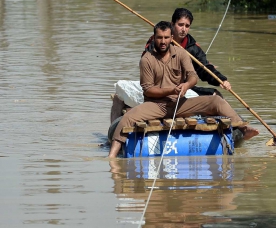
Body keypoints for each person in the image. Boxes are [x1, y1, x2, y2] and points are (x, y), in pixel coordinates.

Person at [108, 21, 259, 158]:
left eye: (166, 37)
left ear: (171, 37)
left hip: (181, 103)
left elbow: (193, 76)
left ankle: (243, 129)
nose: (163, 41)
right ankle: (112, 156)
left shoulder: (181, 53)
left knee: (216, 101)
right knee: (128, 118)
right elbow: (148, 90)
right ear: (154, 38)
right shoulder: (147, 59)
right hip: (156, 105)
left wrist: (186, 86)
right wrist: (171, 90)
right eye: (159, 37)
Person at [144, 8, 230, 96]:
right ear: (172, 24)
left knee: (215, 95)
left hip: (184, 86)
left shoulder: (193, 47)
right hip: (159, 86)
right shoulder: (158, 41)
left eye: (187, 26)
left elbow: (204, 68)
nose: (184, 29)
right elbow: (146, 63)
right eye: (180, 25)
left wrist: (221, 80)